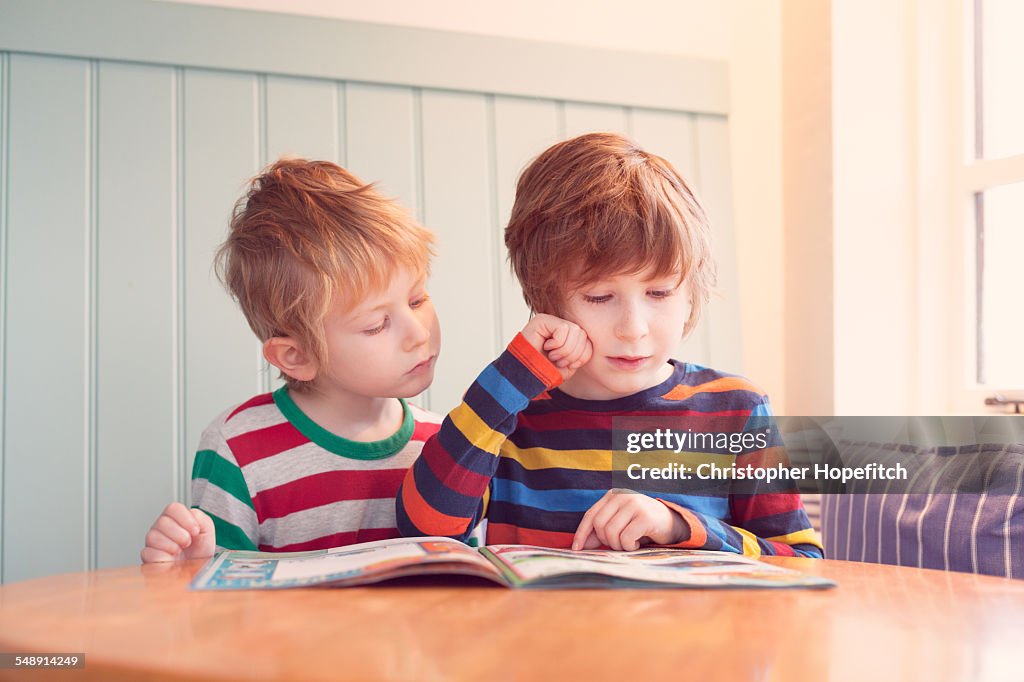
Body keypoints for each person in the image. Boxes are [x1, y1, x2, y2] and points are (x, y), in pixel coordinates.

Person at [397, 133, 823, 557]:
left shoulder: (737, 410)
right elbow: (426, 529)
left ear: (691, 291)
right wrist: (507, 385)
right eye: (599, 298)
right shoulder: (510, 412)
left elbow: (804, 562)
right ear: (545, 300)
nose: (633, 328)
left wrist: (680, 527)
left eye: (659, 294)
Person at [141, 158, 444, 562]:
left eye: (417, 299)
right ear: (296, 356)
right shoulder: (238, 448)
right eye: (376, 325)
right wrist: (188, 568)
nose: (419, 333)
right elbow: (218, 607)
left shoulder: (443, 443)